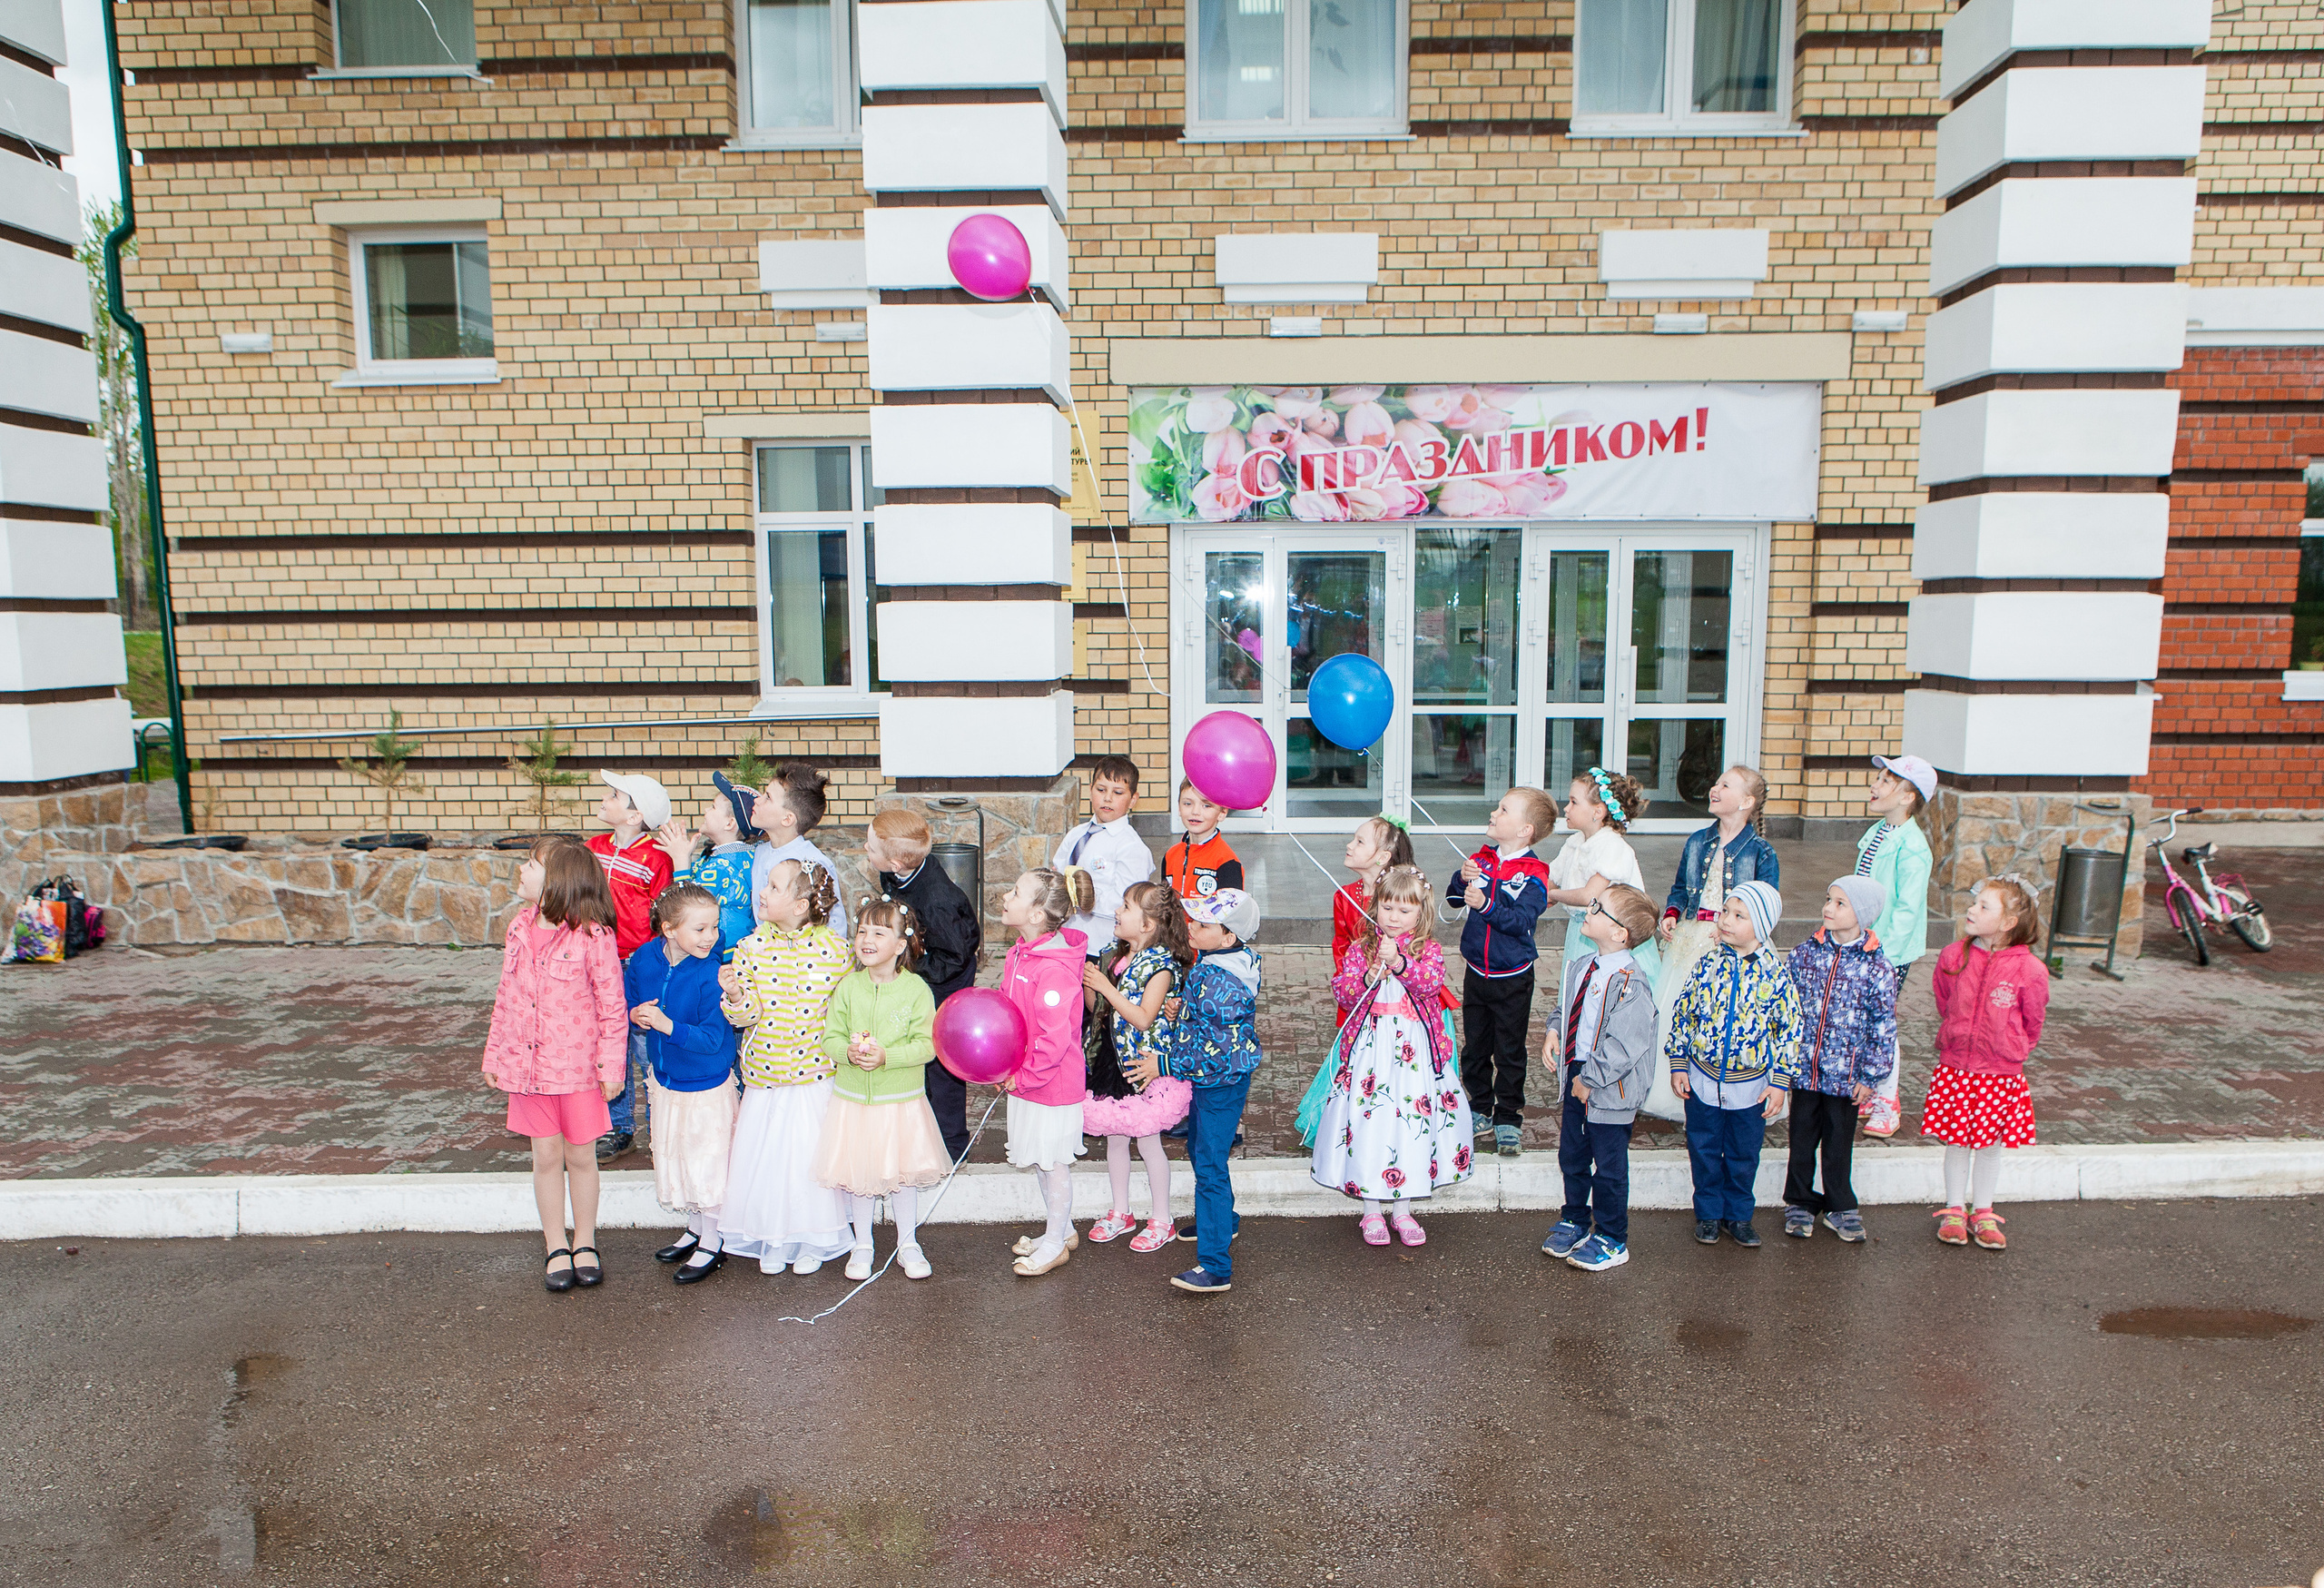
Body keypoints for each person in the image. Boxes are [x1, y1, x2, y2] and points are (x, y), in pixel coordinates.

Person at [481, 836, 627, 1293]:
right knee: (545, 1157)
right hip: (529, 1074)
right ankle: (555, 1244)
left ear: (558, 882)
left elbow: (612, 1006)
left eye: (531, 865)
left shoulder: (592, 935)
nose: (522, 871)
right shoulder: (518, 929)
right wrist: (495, 1053)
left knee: (581, 1157)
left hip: (579, 1072)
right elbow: (506, 997)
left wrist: (611, 1068)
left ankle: (585, 1242)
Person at [1311, 864, 1473, 1247]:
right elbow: (1344, 993)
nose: (1394, 917)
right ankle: (1371, 1210)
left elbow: (1431, 984)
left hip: (1413, 1054)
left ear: (1421, 912)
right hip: (1372, 1051)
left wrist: (1401, 963)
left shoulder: (1427, 949)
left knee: (1410, 1122)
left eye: (1404, 910)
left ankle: (1403, 1210)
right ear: (1376, 907)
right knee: (1372, 1122)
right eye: (1387, 908)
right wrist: (1369, 975)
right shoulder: (1360, 949)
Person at [715, 858, 855, 1275]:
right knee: (771, 1162)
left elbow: (844, 1012)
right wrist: (737, 996)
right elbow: (745, 1017)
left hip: (815, 1076)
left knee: (808, 1160)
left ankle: (814, 1236)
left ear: (800, 904)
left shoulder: (836, 951)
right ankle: (774, 1238)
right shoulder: (751, 948)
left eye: (774, 887)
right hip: (767, 1076)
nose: (763, 892)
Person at [813, 895, 946, 1281]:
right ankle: (863, 1244)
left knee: (901, 1174)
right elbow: (830, 1038)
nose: (866, 938)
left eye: (878, 931)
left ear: (900, 945)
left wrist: (889, 1056)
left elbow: (927, 1044)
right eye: (862, 931)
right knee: (859, 1175)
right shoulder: (848, 987)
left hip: (900, 1101)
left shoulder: (916, 990)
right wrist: (848, 1053)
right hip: (854, 1101)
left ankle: (908, 1242)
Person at [1665, 879, 1801, 1248]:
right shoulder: (1707, 964)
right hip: (1703, 1080)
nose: (1725, 920)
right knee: (1704, 1148)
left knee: (1743, 1154)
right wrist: (1679, 1062)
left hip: (1751, 1088)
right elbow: (1684, 1013)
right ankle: (1708, 1214)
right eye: (1726, 911)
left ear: (1762, 925)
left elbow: (1788, 1029)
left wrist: (1780, 1081)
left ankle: (1738, 1215)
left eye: (1739, 915)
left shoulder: (1775, 973)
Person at [1539, 883, 1662, 1274]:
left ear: (1619, 933)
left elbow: (1625, 1046)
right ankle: (1575, 1218)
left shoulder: (1631, 984)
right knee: (1572, 1154)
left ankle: (1612, 1237)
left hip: (1610, 1087)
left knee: (1608, 1166)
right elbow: (1565, 1007)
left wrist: (1590, 1080)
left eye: (1598, 907)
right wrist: (1555, 1030)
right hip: (1580, 1074)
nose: (1588, 909)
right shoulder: (1582, 966)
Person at [1924, 875, 2049, 1253]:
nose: (1971, 910)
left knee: (1990, 1144)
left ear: (2009, 922)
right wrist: (1959, 1035)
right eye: (1974, 903)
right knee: (1958, 1142)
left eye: (1983, 906)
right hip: (1957, 1066)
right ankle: (1953, 1210)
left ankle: (1983, 1210)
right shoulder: (1953, 956)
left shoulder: (2030, 970)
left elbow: (2033, 1021)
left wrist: (2012, 1048)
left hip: (2000, 1072)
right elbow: (1945, 1001)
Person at [625, 884, 742, 1287]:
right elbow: (631, 1001)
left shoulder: (712, 973)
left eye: (714, 927)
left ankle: (714, 1240)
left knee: (708, 1161)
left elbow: (712, 1040)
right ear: (669, 930)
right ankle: (695, 1228)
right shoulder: (644, 959)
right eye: (700, 929)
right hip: (667, 1080)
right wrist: (637, 1015)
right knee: (680, 1154)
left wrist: (666, 1026)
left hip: (706, 1084)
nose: (710, 937)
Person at [1148, 888, 1263, 1296]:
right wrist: (1188, 1008)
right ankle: (1222, 1221)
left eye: (1203, 925)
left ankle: (1215, 1266)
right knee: (1202, 1148)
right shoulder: (1231, 962)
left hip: (1218, 1083)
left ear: (1229, 935)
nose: (1192, 928)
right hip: (1227, 1079)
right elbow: (1214, 1020)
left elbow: (1209, 1055)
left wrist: (1161, 1064)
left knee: (1209, 1166)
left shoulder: (1214, 980)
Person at [1649, 764, 1780, 1119]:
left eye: (1725, 785)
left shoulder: (1761, 852)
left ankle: (1727, 1088)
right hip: (1694, 938)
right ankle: (1675, 1088)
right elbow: (1680, 887)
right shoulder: (1697, 841)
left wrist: (1734, 928)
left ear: (1746, 801)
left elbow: (1767, 904)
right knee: (1684, 1007)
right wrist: (1673, 913)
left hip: (1735, 942)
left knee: (1725, 1014)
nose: (1714, 788)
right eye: (1716, 781)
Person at [1779, 876, 1897, 1244]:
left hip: (1846, 1079)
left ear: (1861, 914)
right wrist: (1784, 1061)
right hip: (1804, 1073)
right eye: (1828, 899)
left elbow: (1884, 1026)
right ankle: (1799, 1201)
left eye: (1840, 903)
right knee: (1800, 1140)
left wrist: (1871, 1075)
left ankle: (1840, 1206)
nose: (1828, 908)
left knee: (1837, 1143)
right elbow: (1785, 1009)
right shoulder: (1804, 954)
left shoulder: (1878, 968)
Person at [1079, 881, 1195, 1253]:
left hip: (1143, 1067)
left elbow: (1144, 1018)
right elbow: (1097, 1009)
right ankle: (1120, 1211)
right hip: (1112, 1061)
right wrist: (1090, 982)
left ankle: (1161, 1217)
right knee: (1115, 1140)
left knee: (1148, 1144)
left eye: (1126, 907)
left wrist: (1107, 989)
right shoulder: (1115, 956)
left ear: (1147, 924)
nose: (1117, 911)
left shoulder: (1161, 967)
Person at [1443, 785, 1556, 1159]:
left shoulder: (1536, 873)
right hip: (1477, 972)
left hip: (1513, 977)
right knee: (1475, 1046)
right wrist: (1462, 878)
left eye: (1504, 810)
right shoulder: (1483, 857)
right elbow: (1453, 899)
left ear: (1525, 830)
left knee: (1508, 1049)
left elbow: (1522, 921)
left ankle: (1508, 1117)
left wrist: (1487, 902)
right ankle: (1479, 1108)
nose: (1494, 813)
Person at [998, 866, 1098, 1277]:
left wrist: (1026, 1077)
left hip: (1050, 1085)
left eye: (1016, 891)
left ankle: (1055, 1243)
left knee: (1052, 1162)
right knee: (1040, 1160)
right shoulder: (1021, 951)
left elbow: (1054, 1040)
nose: (1006, 895)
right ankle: (1061, 1228)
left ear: (1037, 914)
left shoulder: (1052, 968)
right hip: (1027, 1080)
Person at [866, 807, 983, 1160]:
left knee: (940, 1063)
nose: (865, 854)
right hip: (922, 972)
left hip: (943, 984)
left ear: (897, 863)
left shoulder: (936, 900)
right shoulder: (900, 873)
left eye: (870, 849)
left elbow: (954, 956)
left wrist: (906, 964)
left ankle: (951, 1146)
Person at [589, 771, 675, 1163]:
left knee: (644, 1044)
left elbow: (664, 915)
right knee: (611, 1043)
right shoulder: (592, 848)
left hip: (639, 965)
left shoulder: (656, 859)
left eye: (614, 796)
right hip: (599, 963)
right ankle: (619, 1127)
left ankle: (661, 1127)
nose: (605, 800)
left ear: (635, 815)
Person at [1856, 754, 1935, 1138]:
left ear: (1907, 796)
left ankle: (1888, 1100)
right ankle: (1871, 1091)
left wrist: (1882, 951)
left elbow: (1907, 908)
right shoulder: (1878, 833)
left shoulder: (1913, 847)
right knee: (1864, 1020)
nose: (1876, 786)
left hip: (1887, 952)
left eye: (1887, 781)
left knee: (1882, 1023)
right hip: (1864, 944)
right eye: (1879, 778)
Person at [1545, 765, 1658, 984]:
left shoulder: (1611, 846)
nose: (1566, 809)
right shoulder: (1575, 842)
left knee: (1607, 990)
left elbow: (1590, 896)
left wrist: (1553, 895)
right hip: (1583, 930)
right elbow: (1551, 877)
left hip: (1613, 937)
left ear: (1598, 812)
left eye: (1574, 802)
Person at [1050, 754, 1154, 961]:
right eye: (1101, 790)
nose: (1107, 798)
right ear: (1090, 792)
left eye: (1117, 792)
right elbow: (1058, 870)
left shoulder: (1131, 847)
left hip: (1102, 946)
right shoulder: (1077, 834)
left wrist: (1084, 898)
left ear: (1133, 799)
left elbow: (1128, 902)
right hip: (1066, 939)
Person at [655, 771, 762, 962]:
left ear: (730, 823)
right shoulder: (747, 855)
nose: (705, 811)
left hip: (716, 955)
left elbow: (686, 906)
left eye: (713, 807)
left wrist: (680, 860)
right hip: (737, 950)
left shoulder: (721, 866)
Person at [1331, 814, 1415, 1035]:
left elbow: (1416, 941)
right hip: (1362, 983)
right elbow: (1341, 947)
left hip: (1399, 991)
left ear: (1382, 857)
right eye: (1353, 839)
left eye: (1360, 842)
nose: (1350, 845)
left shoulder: (1400, 897)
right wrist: (1351, 983)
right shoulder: (1344, 896)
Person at [751, 763, 850, 939]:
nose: (757, 800)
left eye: (768, 798)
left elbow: (834, 923)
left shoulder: (812, 862)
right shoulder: (760, 852)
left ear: (787, 819)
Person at [1161, 779, 1243, 901]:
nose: (1195, 812)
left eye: (1206, 805)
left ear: (1222, 812)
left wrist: (1200, 921)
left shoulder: (1227, 862)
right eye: (1188, 804)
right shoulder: (1170, 856)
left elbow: (1231, 913)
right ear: (1179, 807)